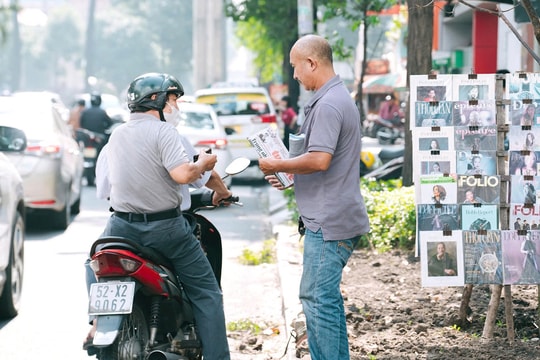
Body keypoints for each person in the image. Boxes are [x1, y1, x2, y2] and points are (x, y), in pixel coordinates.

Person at [83, 72, 231, 360]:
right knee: (207, 294)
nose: (177, 107)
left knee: (93, 263)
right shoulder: (166, 133)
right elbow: (186, 174)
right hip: (166, 230)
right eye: (174, 99)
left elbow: (104, 190)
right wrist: (206, 167)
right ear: (158, 100)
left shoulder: (115, 137)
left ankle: (97, 322)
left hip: (120, 228)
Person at [257, 34, 370, 360]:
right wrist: (291, 175)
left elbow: (320, 159)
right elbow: (324, 162)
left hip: (329, 221)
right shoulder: (334, 98)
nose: (294, 75)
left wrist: (277, 163)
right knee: (324, 299)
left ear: (312, 63)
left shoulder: (330, 103)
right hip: (332, 216)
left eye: (296, 67)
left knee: (317, 298)